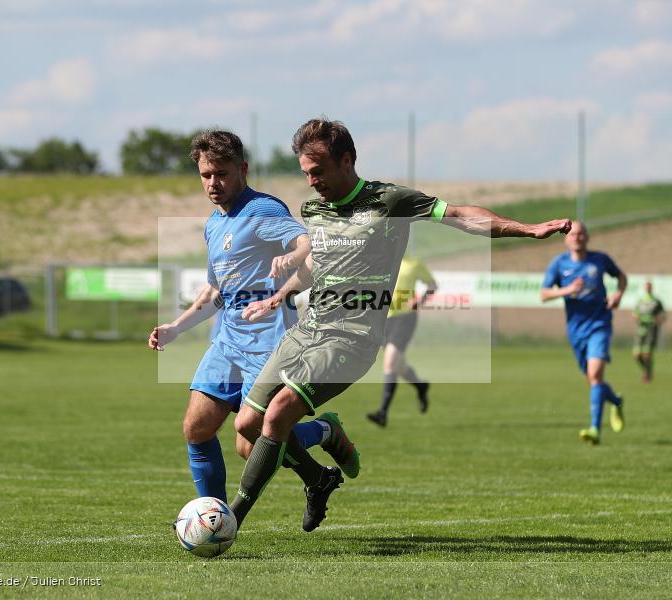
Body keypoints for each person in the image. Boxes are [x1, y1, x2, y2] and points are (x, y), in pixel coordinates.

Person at [229, 117, 572, 532]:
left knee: (279, 414)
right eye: (305, 173)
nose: (312, 182)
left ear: (346, 160)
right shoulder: (314, 210)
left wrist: (527, 229)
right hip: (305, 332)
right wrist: (278, 297)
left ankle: (229, 521)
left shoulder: (390, 201)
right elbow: (318, 264)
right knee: (247, 429)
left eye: (318, 171)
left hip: (351, 338)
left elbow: (462, 215)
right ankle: (319, 471)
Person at [148, 130, 360, 503]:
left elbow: (308, 243)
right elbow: (215, 291)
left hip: (269, 344)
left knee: (252, 446)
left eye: (222, 174)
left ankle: (324, 431)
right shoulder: (214, 224)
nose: (213, 183)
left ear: (242, 170)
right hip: (228, 342)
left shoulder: (262, 209)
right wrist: (175, 328)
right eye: (206, 175)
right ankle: (215, 516)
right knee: (196, 428)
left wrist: (293, 257)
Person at [539, 221, 628, 446]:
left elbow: (621, 277)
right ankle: (616, 401)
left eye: (580, 234)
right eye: (572, 234)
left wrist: (618, 295)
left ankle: (595, 429)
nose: (577, 237)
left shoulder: (600, 259)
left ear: (587, 237)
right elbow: (544, 294)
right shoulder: (559, 264)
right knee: (593, 381)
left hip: (600, 324)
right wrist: (568, 290)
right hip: (576, 330)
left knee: (595, 375)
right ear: (566, 239)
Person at [367, 255, 436, 427]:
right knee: (398, 365)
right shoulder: (384, 261)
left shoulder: (414, 263)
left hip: (405, 318)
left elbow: (432, 285)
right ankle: (420, 386)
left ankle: (382, 413)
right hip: (385, 319)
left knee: (390, 363)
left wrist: (420, 301)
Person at [632, 279, 665, 383]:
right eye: (646, 286)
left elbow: (663, 315)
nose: (648, 288)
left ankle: (647, 374)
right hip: (641, 329)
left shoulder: (656, 301)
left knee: (647, 354)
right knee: (636, 355)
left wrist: (658, 320)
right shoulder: (641, 301)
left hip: (651, 329)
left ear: (651, 288)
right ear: (644, 288)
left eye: (649, 286)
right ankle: (647, 371)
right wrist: (636, 318)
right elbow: (634, 314)